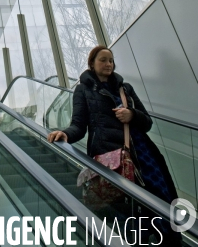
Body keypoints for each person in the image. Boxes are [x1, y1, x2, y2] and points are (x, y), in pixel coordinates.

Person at [47, 45, 180, 246]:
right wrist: (65, 133)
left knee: (160, 200)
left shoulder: (125, 88)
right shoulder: (83, 90)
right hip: (110, 157)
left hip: (142, 155)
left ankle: (167, 241)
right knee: (125, 208)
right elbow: (79, 125)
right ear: (92, 63)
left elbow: (147, 122)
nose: (109, 64)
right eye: (103, 60)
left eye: (111, 60)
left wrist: (132, 115)